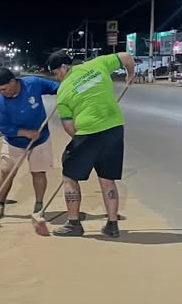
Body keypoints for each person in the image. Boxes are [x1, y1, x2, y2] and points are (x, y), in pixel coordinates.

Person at [47, 49, 135, 238]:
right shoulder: (97, 63)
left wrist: (82, 145)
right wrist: (130, 75)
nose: (57, 78)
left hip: (88, 133)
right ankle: (112, 224)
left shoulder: (63, 91)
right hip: (114, 129)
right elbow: (127, 57)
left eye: (56, 73)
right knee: (106, 178)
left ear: (64, 67)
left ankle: (73, 224)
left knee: (70, 176)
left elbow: (69, 126)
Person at [0, 67, 60, 217]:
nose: (2, 92)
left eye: (4, 88)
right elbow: (3, 127)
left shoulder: (33, 83)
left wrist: (64, 93)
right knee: (6, 170)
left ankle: (38, 206)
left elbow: (57, 88)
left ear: (13, 81)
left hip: (41, 139)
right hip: (14, 141)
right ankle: (0, 203)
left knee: (38, 172)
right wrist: (25, 133)